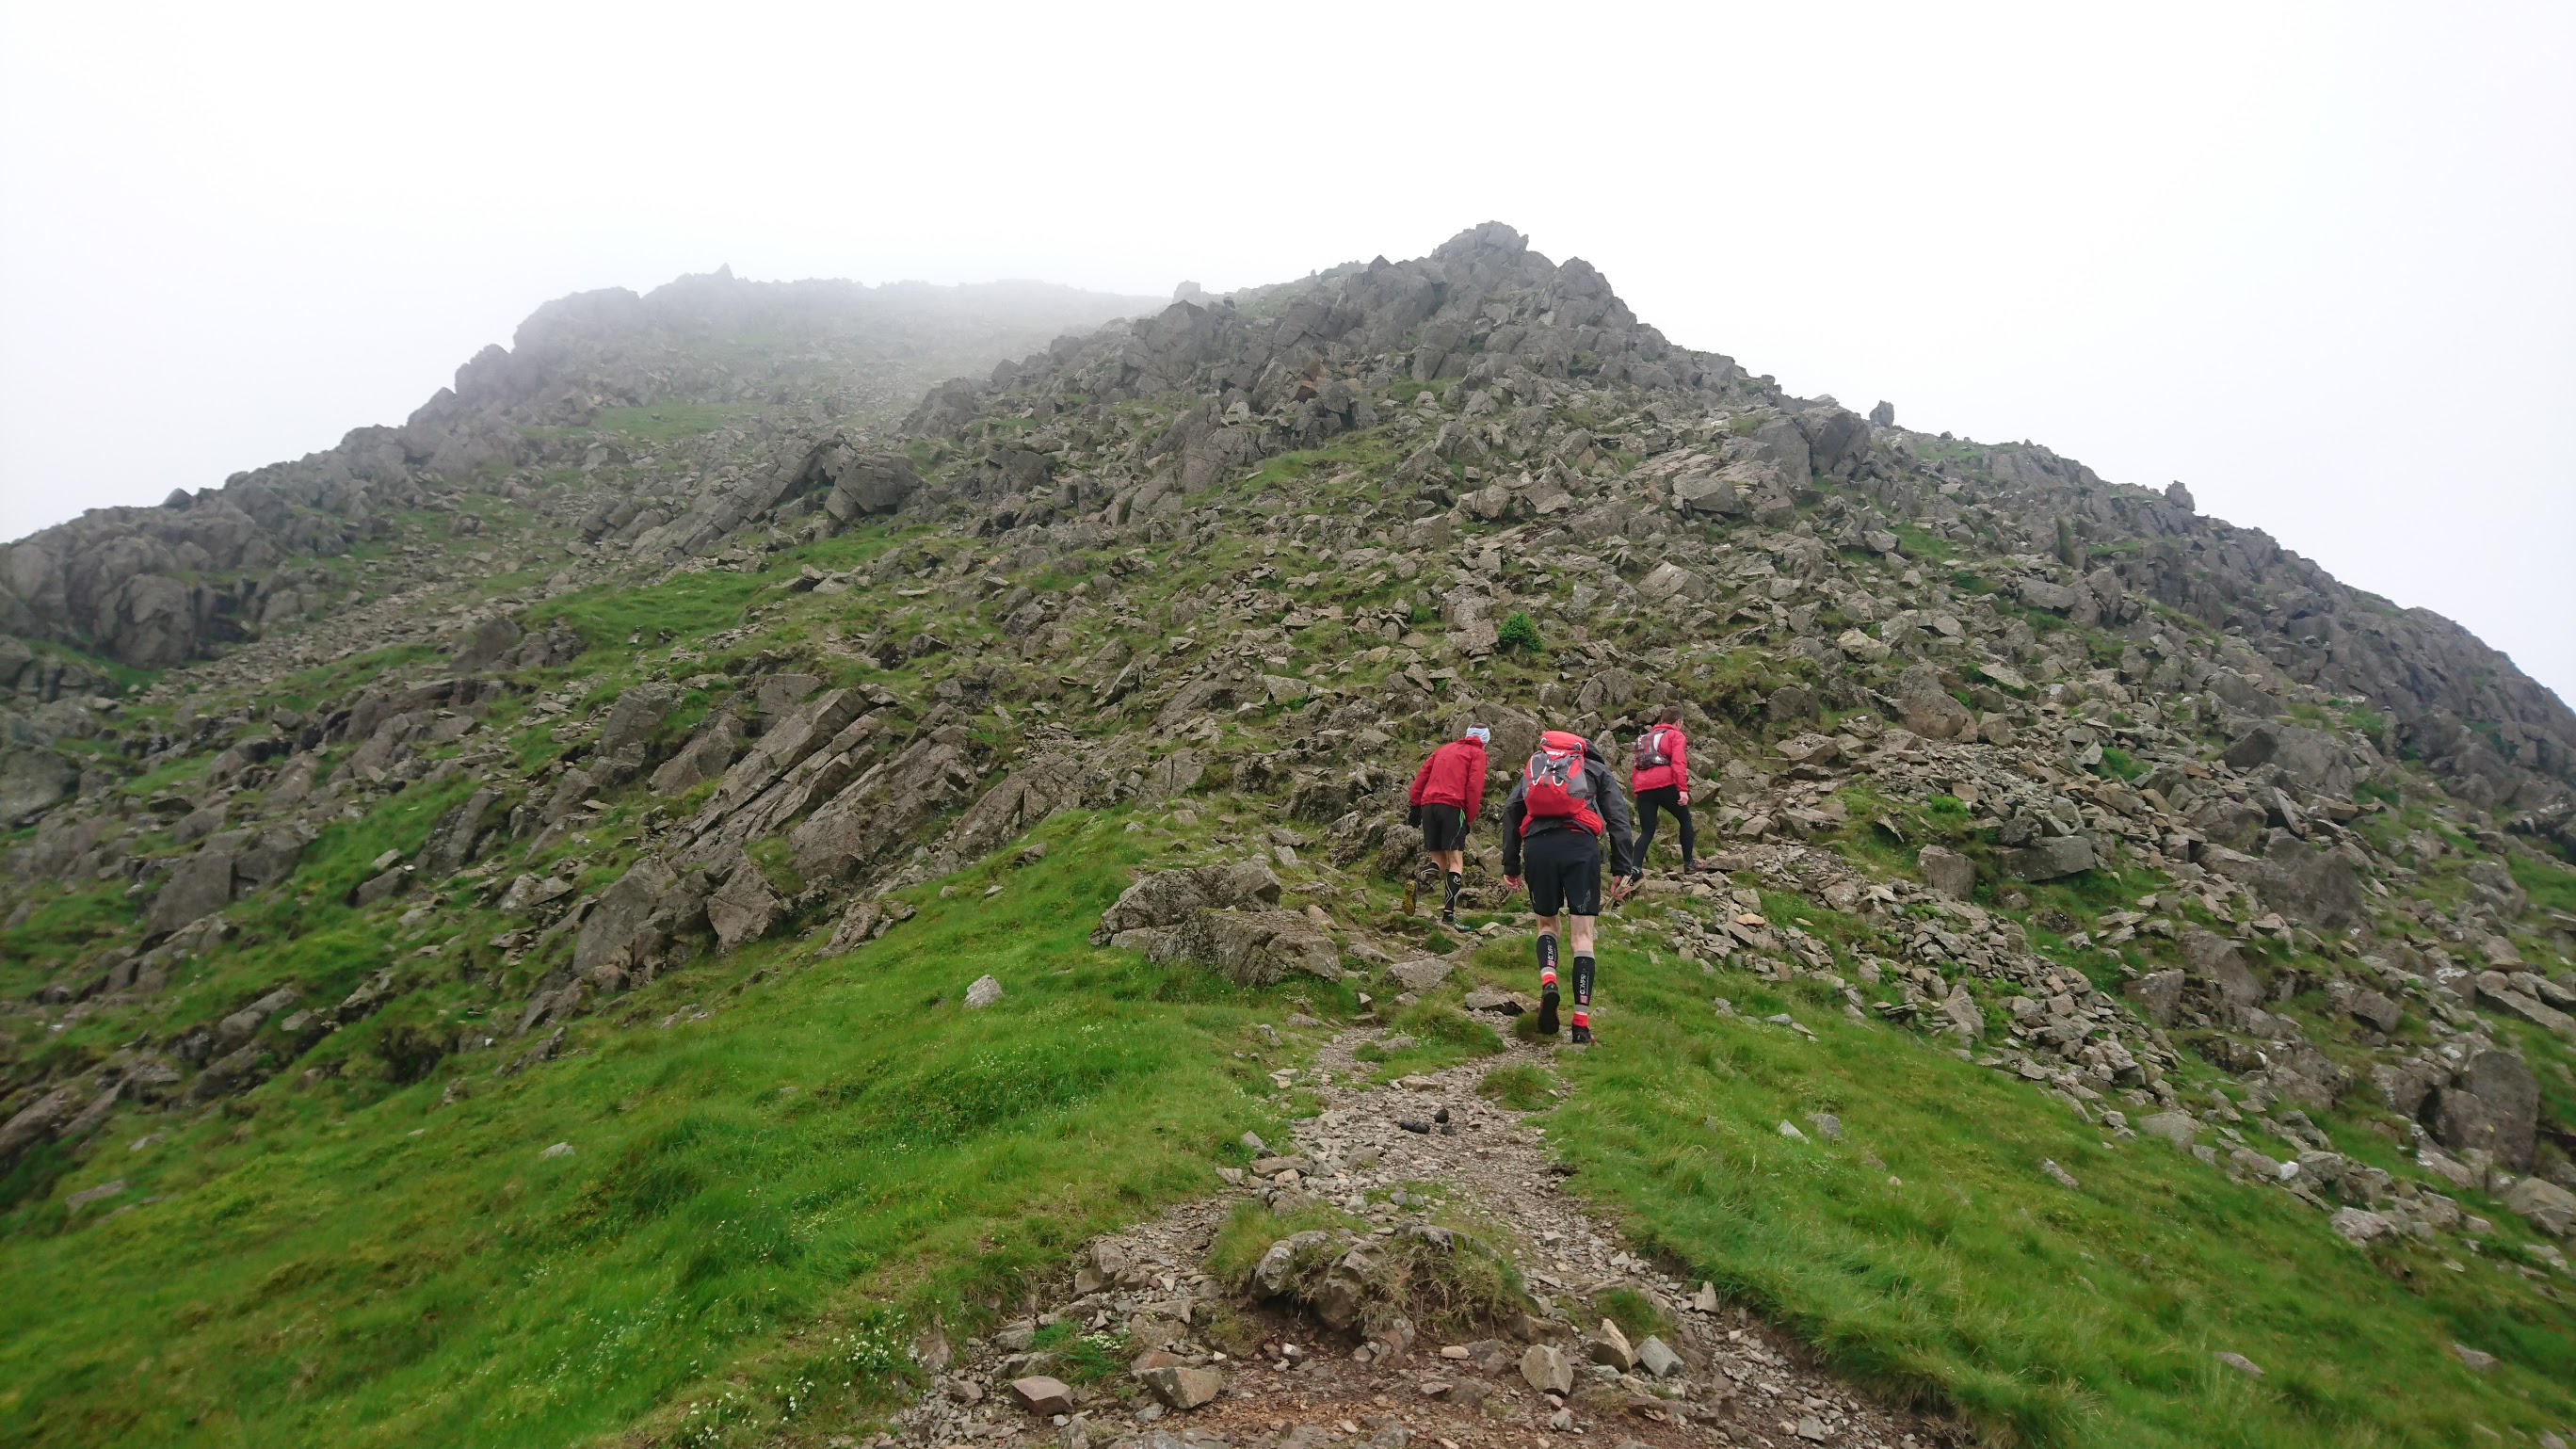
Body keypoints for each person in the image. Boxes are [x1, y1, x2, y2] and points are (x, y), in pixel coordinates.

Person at [1501, 729, 1638, 1045]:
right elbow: (1618, 818)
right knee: (1582, 937)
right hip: (1581, 848)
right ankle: (1580, 1026)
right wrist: (1621, 867)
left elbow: (1512, 811)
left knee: (1547, 926)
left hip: (1538, 847)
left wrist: (1510, 864)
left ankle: (1549, 982)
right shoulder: (1595, 769)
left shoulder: (1537, 765)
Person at [1408, 725, 1490, 928]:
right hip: (1453, 807)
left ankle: (1417, 883)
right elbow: (1473, 787)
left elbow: (1422, 776)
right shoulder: (1477, 754)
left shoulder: (1443, 750)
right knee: (1456, 861)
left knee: (1438, 860)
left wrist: (1415, 805)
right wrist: (1468, 819)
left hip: (1429, 805)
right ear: (1484, 740)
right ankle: (1448, 916)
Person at [1629, 704, 1707, 874]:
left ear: (1661, 720)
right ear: (1678, 722)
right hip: (1665, 785)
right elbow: (1679, 763)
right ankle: (1688, 864)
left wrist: (1637, 792)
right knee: (1685, 819)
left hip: (1643, 788)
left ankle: (1634, 868)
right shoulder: (1675, 735)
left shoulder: (1644, 739)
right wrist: (1682, 790)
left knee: (1647, 831)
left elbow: (1636, 766)